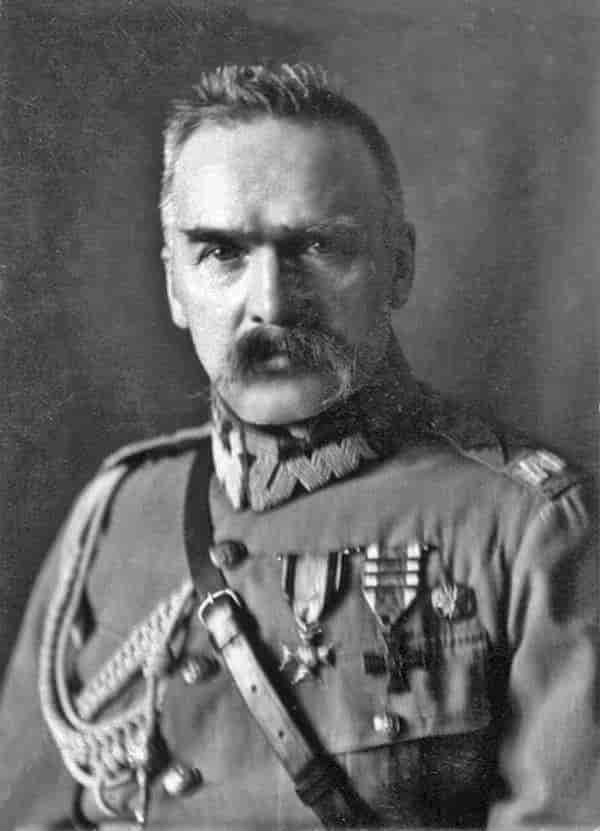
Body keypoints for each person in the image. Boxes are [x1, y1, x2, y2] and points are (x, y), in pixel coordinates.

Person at [1, 62, 598, 831]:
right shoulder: (115, 514)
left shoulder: (528, 526)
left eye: (317, 246)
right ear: (175, 286)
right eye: (222, 253)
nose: (272, 303)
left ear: (400, 267)